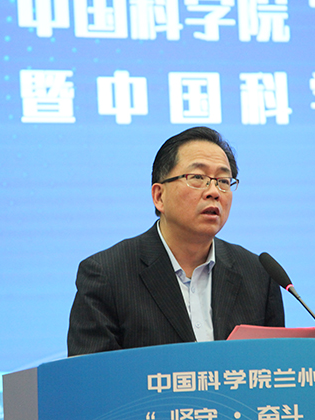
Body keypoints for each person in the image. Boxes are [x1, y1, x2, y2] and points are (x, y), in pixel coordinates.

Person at [67, 126, 285, 356]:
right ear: (159, 196)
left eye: (223, 181)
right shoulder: (106, 275)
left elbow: (276, 367)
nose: (214, 192)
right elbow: (92, 375)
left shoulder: (259, 276)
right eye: (198, 177)